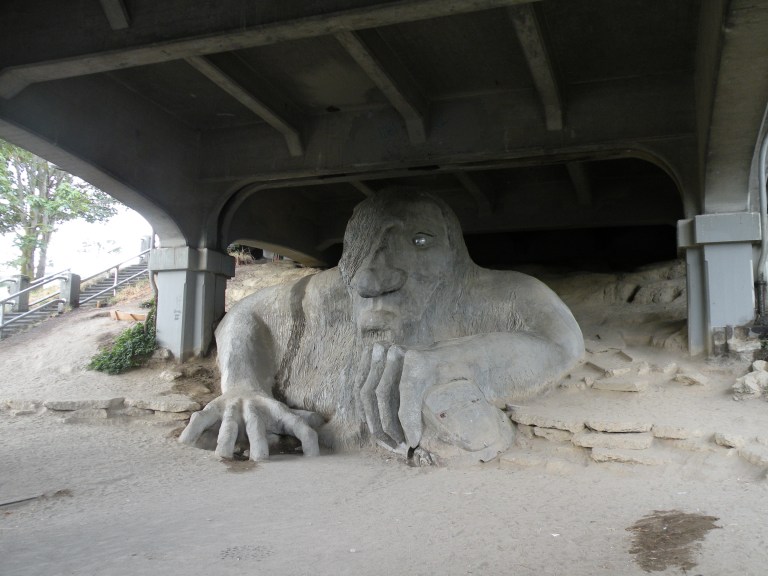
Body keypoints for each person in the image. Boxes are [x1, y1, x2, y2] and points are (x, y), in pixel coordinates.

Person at [180, 188, 584, 464]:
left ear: (453, 250)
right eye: (359, 248)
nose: (370, 280)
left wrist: (452, 360)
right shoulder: (331, 289)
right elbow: (245, 315)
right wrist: (242, 384)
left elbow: (562, 342)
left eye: (419, 242)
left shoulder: (500, 291)